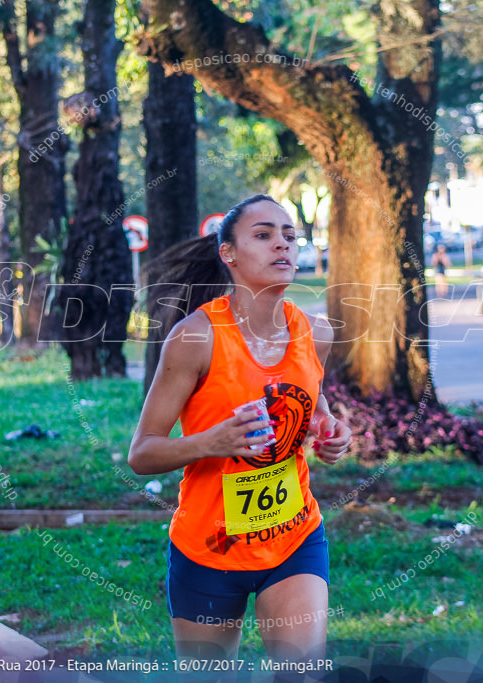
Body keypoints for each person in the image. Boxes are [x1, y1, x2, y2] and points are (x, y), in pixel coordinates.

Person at [129, 194, 351, 669]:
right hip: (208, 549)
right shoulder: (195, 338)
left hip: (293, 538)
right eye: (264, 235)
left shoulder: (317, 332)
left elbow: (308, 395)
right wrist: (212, 442)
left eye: (289, 236)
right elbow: (142, 454)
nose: (282, 246)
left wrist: (327, 427)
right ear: (228, 253)